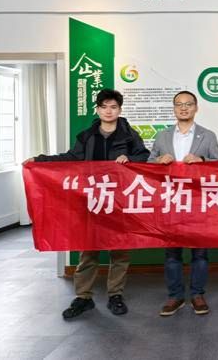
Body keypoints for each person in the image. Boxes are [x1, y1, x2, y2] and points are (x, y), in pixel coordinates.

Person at [24, 88, 150, 319]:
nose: (109, 111)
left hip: (119, 201)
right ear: (98, 109)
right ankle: (83, 297)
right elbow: (70, 158)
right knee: (88, 250)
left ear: (120, 109)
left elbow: (145, 156)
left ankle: (115, 295)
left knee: (120, 251)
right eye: (104, 107)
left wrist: (130, 158)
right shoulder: (87, 136)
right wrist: (40, 160)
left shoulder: (130, 135)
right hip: (91, 200)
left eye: (113, 107)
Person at [149, 90, 218, 317]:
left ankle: (197, 294)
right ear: (174, 108)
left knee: (200, 253)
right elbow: (148, 164)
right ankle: (175, 296)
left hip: (198, 202)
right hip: (170, 202)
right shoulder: (162, 136)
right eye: (179, 104)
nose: (183, 108)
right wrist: (159, 160)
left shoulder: (207, 135)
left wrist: (202, 160)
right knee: (172, 253)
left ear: (196, 108)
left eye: (188, 104)